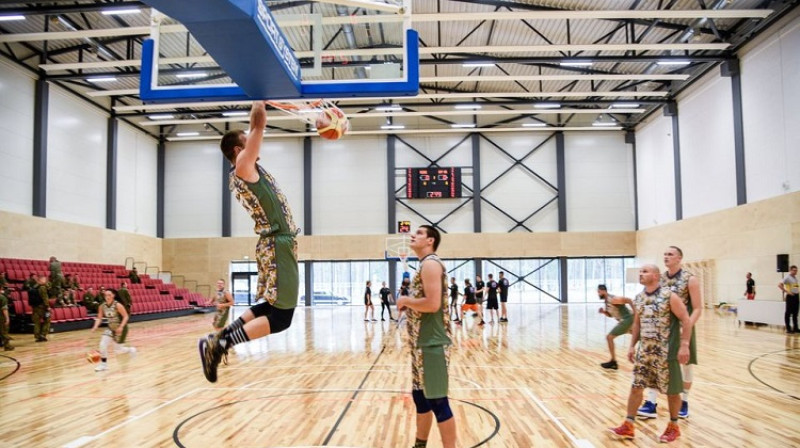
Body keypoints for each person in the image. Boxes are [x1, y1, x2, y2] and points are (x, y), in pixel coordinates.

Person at [199, 101, 300, 383]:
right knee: (281, 318)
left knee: (270, 307)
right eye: (247, 141)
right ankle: (221, 345)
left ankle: (217, 339)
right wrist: (260, 97)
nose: (253, 141)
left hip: (275, 244)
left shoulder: (248, 169)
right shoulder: (243, 165)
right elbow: (258, 124)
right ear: (237, 150)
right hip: (277, 245)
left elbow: (254, 129)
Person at [608, 265, 693, 443]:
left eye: (645, 272)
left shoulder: (670, 296)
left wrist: (684, 345)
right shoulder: (639, 298)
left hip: (666, 351)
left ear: (655, 275)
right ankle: (629, 425)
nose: (641, 274)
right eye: (640, 272)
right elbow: (637, 324)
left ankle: (674, 426)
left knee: (671, 391)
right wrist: (632, 345)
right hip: (645, 351)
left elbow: (686, 320)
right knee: (636, 386)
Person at [396, 225, 457, 448]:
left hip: (433, 343)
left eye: (420, 233)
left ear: (430, 241)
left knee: (438, 401)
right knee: (421, 399)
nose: (413, 235)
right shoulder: (423, 265)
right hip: (420, 345)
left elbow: (432, 304)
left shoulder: (431, 264)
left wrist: (405, 301)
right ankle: (419, 445)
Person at [639, 246, 702, 420]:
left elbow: (697, 308)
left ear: (679, 258)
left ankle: (684, 401)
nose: (666, 256)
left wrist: (686, 325)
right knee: (655, 362)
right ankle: (651, 402)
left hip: (683, 326)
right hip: (662, 328)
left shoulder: (690, 279)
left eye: (670, 254)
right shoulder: (660, 278)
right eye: (665, 254)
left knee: (685, 364)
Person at [90, 289, 136, 372]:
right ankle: (104, 365)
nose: (107, 297)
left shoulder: (118, 305)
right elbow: (99, 318)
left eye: (109, 295)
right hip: (110, 328)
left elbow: (126, 316)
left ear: (113, 295)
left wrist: (121, 327)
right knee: (102, 344)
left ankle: (131, 350)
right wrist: (95, 326)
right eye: (106, 295)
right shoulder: (102, 306)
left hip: (121, 328)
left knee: (118, 350)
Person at [597, 284, 634, 370]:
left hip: (626, 320)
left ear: (603, 291)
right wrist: (604, 312)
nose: (598, 294)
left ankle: (613, 361)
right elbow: (611, 315)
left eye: (598, 292)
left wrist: (635, 313)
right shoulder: (607, 301)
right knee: (641, 338)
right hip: (625, 321)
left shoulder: (613, 299)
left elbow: (629, 300)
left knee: (609, 337)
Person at [29, 275, 50, 342]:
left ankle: (37, 336)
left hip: (35, 307)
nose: (45, 281)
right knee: (47, 320)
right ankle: (43, 335)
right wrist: (47, 306)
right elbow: (45, 298)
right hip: (42, 307)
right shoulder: (42, 288)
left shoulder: (34, 287)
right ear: (40, 280)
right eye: (44, 280)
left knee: (37, 322)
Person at [779, 265, 799, 334]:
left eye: (796, 270)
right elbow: (779, 285)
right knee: (788, 312)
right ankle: (788, 328)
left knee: (795, 313)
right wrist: (787, 292)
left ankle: (795, 328)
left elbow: (795, 287)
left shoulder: (795, 278)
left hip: (796, 296)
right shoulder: (787, 277)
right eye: (793, 270)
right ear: (790, 270)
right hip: (790, 296)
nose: (795, 271)